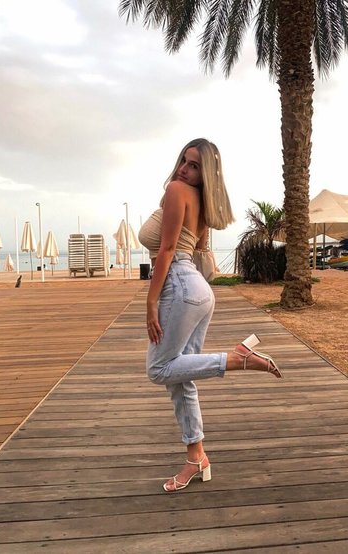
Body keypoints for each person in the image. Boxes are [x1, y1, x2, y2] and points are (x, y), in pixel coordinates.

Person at [138, 138, 283, 493]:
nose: (184, 170)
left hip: (178, 286)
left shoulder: (176, 191)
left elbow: (168, 250)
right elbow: (199, 250)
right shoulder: (203, 202)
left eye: (194, 166)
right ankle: (196, 458)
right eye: (184, 162)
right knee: (180, 377)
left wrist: (151, 301)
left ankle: (238, 359)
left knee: (159, 369)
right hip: (197, 290)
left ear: (206, 174)